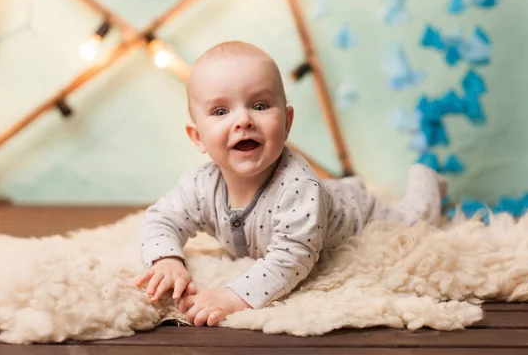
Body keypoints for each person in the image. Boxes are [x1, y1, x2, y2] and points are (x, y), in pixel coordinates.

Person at [134, 41, 446, 327]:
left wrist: (232, 297)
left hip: (355, 212)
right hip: (333, 194)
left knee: (413, 222)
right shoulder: (201, 185)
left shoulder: (298, 186)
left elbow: (293, 257)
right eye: (220, 111)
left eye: (259, 105)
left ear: (287, 122)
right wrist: (167, 260)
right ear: (198, 137)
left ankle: (426, 181)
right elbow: (161, 218)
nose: (243, 120)